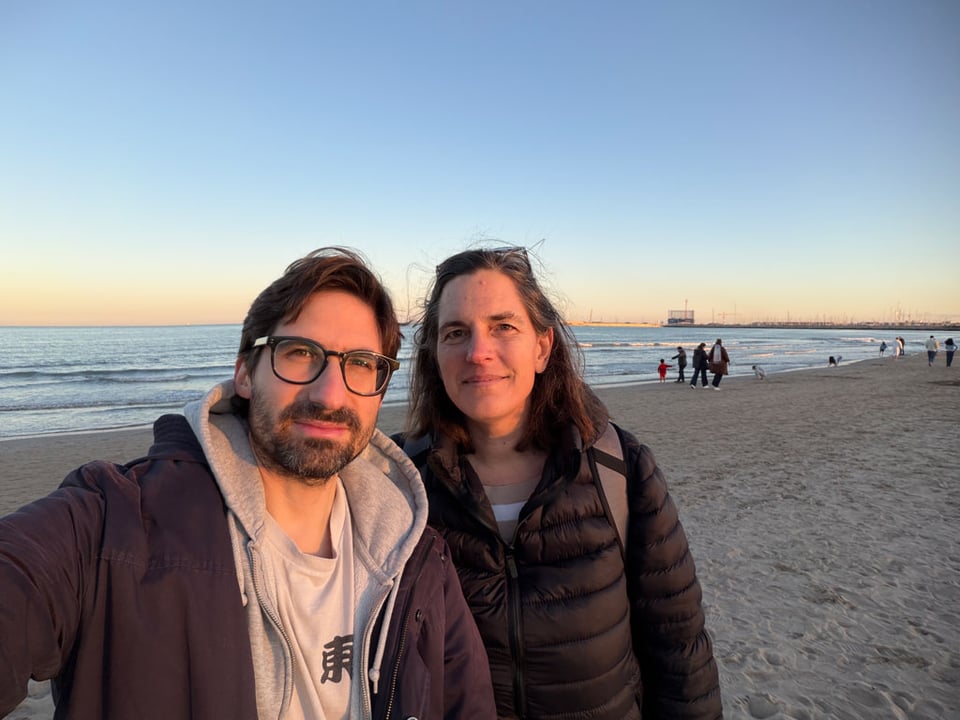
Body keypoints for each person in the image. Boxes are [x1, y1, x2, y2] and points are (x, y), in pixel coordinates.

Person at [0, 248, 495, 720]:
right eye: (299, 352)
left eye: (361, 363)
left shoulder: (418, 561)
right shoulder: (115, 525)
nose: (330, 393)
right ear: (243, 373)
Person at [396, 247, 722, 719]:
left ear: (542, 347)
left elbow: (679, 652)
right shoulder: (399, 482)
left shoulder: (620, 469)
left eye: (503, 327)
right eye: (455, 332)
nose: (478, 352)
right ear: (434, 354)